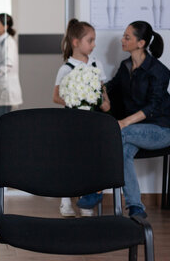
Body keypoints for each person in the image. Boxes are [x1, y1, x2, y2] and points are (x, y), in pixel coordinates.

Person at [106, 21, 170, 218]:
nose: (122, 40)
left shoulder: (159, 71)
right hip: (134, 132)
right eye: (123, 36)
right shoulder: (125, 66)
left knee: (121, 133)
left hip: (160, 131)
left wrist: (124, 122)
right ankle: (136, 207)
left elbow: (153, 107)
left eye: (127, 37)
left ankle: (95, 191)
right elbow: (111, 88)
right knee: (124, 152)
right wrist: (92, 85)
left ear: (141, 43)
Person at [53, 19, 110, 217]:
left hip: (93, 122)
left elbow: (103, 92)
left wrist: (103, 102)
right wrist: (76, 101)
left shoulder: (96, 64)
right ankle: (66, 199)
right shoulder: (66, 68)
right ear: (76, 42)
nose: (94, 45)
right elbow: (55, 97)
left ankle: (87, 201)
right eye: (90, 40)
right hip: (72, 122)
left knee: (91, 160)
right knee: (71, 160)